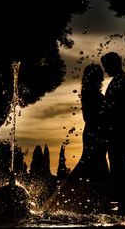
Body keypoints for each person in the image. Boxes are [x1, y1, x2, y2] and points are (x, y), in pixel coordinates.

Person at [43, 63, 110, 214]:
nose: (102, 77)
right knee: (92, 165)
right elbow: (89, 116)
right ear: (93, 76)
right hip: (94, 134)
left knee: (95, 166)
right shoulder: (89, 92)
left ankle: (93, 203)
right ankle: (67, 202)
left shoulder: (89, 91)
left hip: (97, 134)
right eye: (99, 74)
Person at [100, 51, 125, 216]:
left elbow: (121, 109)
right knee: (117, 169)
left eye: (107, 67)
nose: (106, 71)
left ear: (115, 64)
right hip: (117, 131)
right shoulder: (119, 81)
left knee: (120, 169)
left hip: (120, 131)